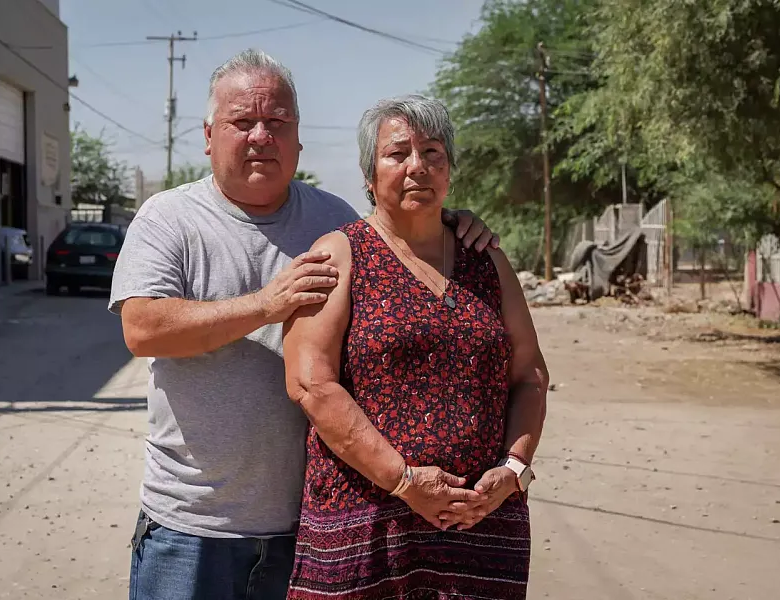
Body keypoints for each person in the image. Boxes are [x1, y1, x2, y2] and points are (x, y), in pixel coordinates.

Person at [109, 50, 499, 600]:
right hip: (193, 526)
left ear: (298, 140)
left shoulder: (334, 219)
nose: (261, 135)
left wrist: (455, 223)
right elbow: (143, 329)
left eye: (278, 123)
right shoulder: (169, 218)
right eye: (242, 122)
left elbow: (404, 231)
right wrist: (265, 305)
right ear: (208, 135)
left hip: (315, 521)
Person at [283, 95, 548, 599]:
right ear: (368, 173)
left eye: (433, 153)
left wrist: (513, 472)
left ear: (449, 170)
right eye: (397, 153)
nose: (417, 167)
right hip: (366, 527)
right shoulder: (339, 254)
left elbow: (530, 375)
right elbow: (310, 382)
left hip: (480, 522)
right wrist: (403, 480)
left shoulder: (486, 259)